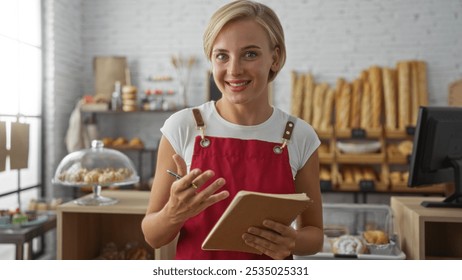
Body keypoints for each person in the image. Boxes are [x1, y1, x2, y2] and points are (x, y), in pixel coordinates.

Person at [141, 0, 323, 260]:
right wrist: (174, 212)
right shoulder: (182, 127)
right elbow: (153, 236)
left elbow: (315, 234)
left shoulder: (299, 136)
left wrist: (293, 242)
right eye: (222, 56)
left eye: (250, 54)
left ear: (275, 57)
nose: (234, 70)